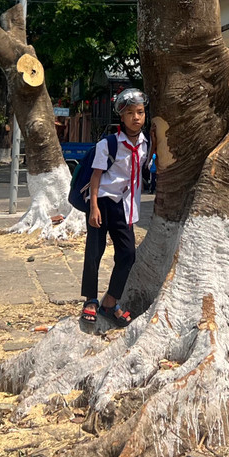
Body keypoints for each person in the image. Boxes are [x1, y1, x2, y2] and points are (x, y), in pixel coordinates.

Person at [80, 88, 150, 328]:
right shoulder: (108, 144)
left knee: (128, 254)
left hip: (124, 206)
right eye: (130, 113)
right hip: (102, 202)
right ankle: (90, 300)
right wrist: (94, 208)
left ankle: (110, 301)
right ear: (121, 116)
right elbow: (96, 176)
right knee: (95, 252)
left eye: (140, 112)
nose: (136, 117)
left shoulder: (144, 145)